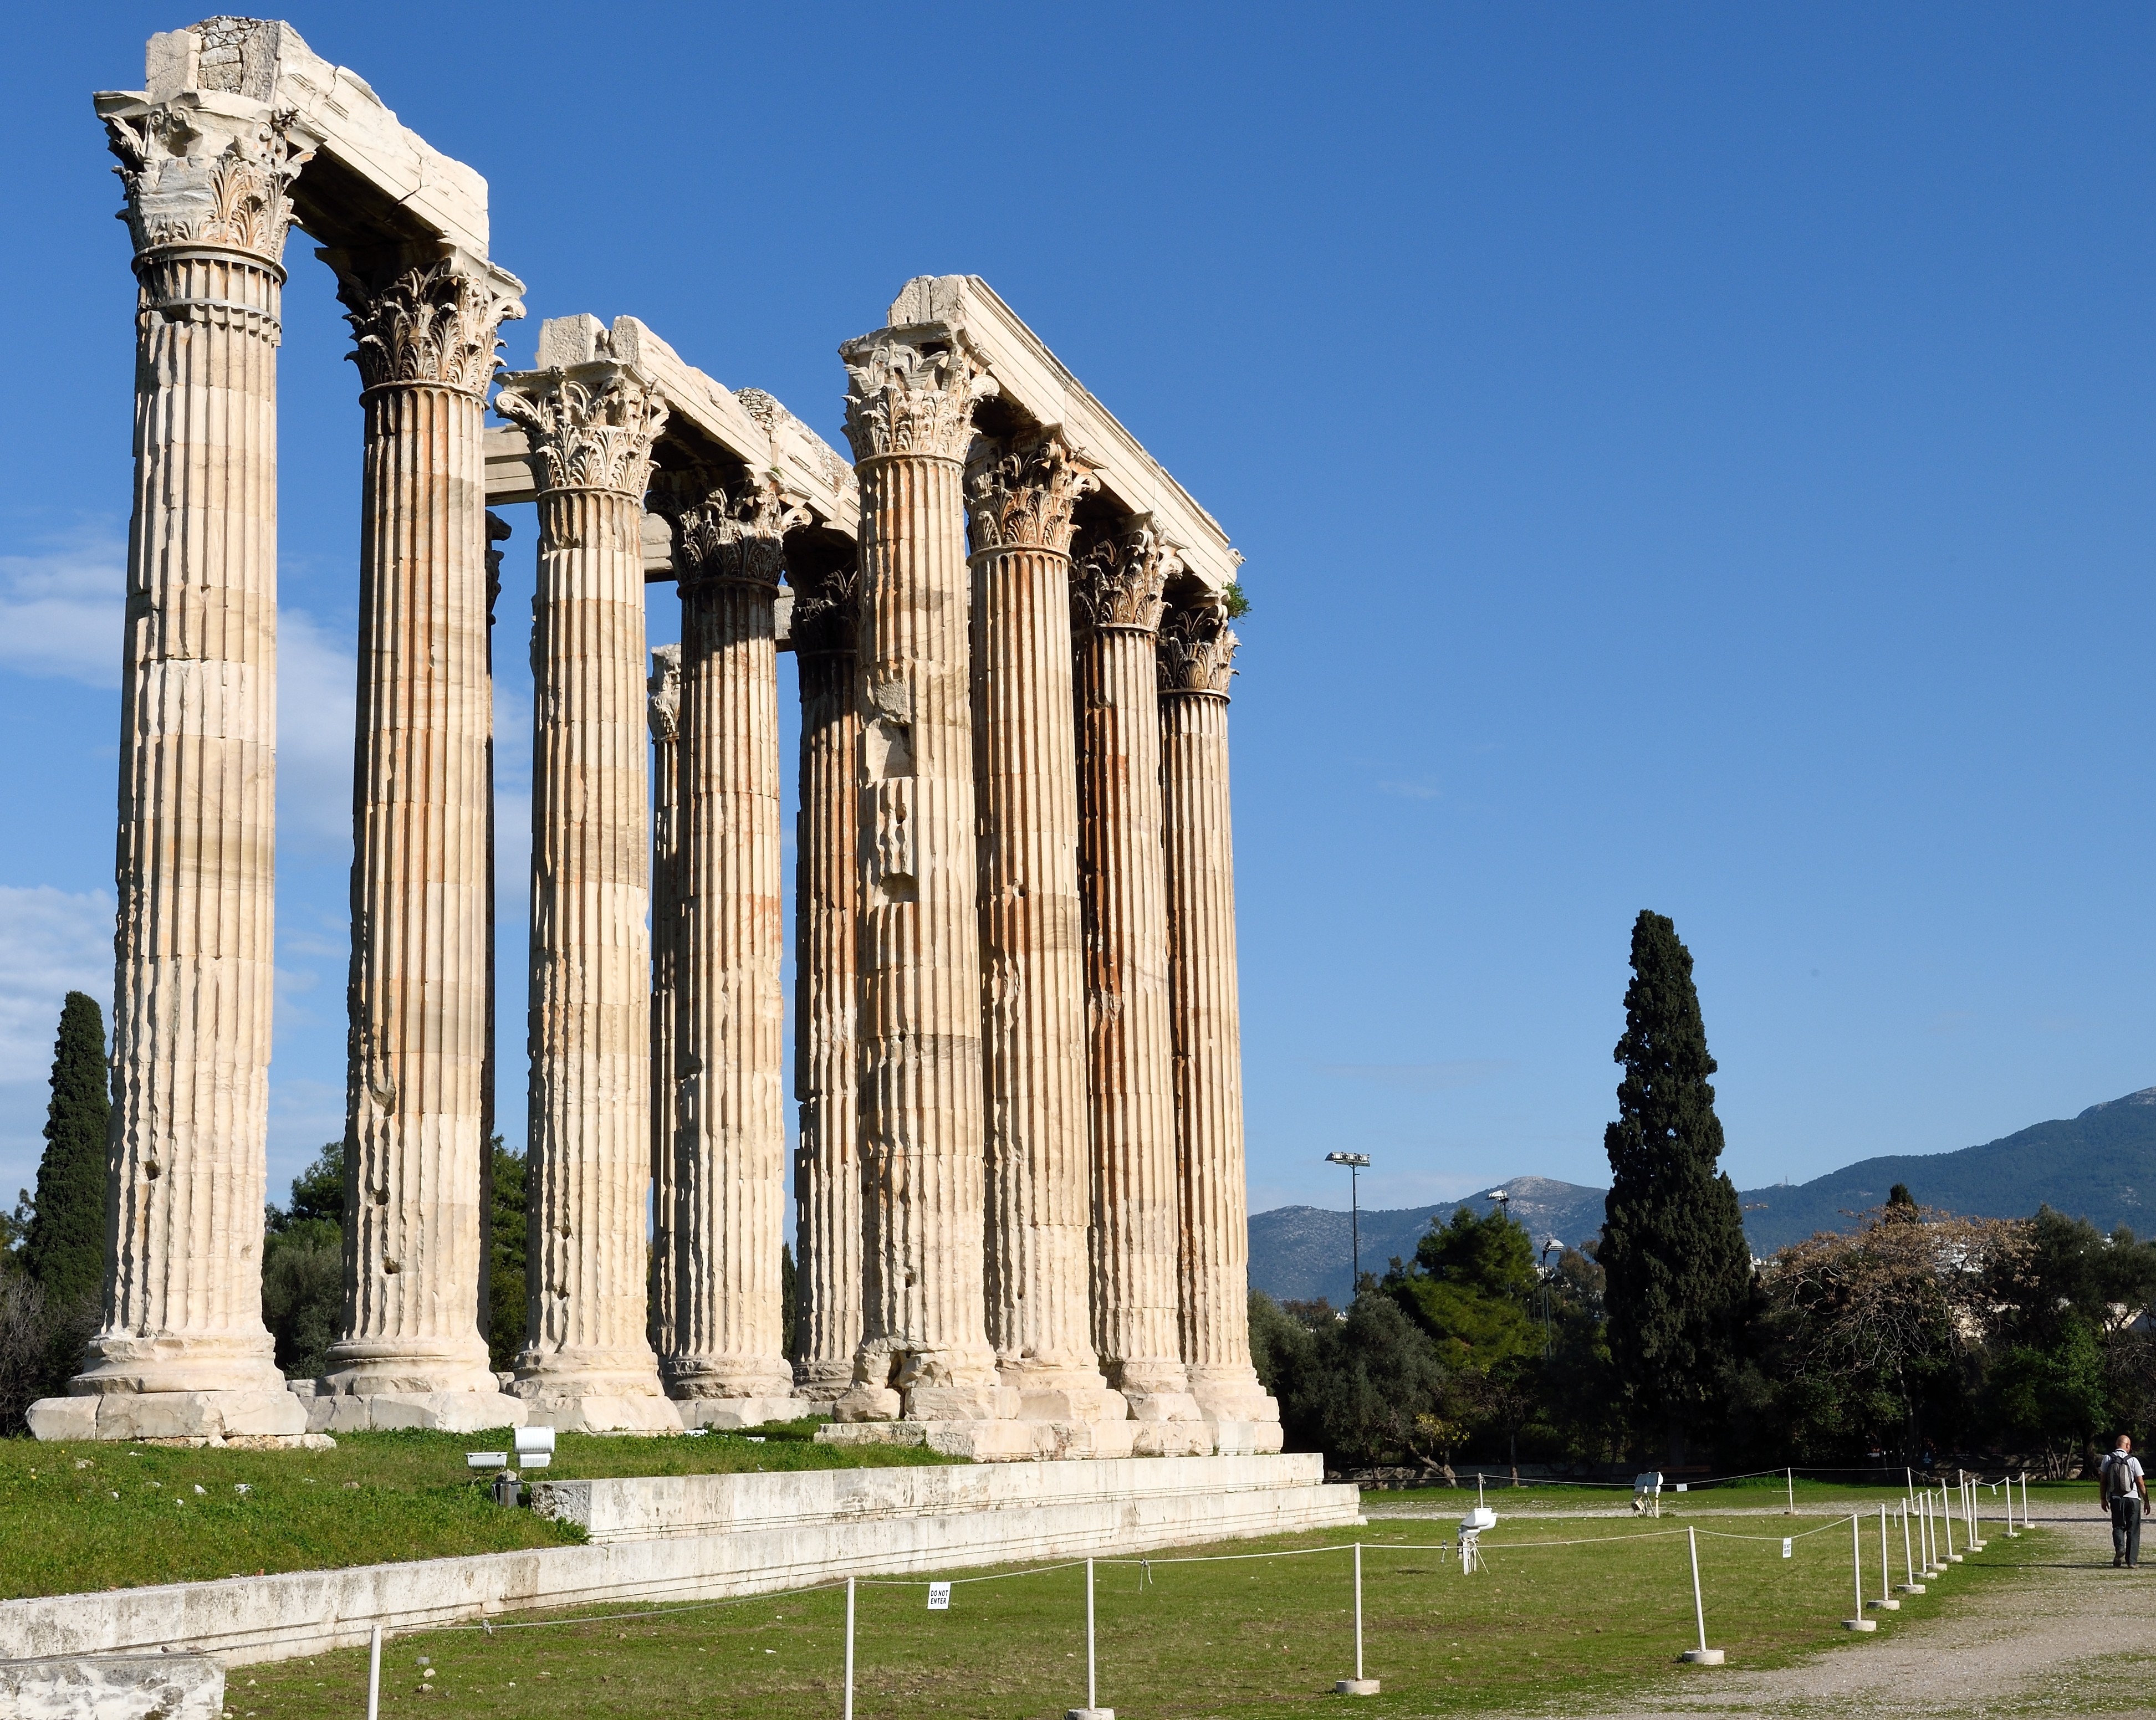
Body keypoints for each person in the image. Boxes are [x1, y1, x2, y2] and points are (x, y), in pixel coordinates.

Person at [2098, 1434, 2147, 1569]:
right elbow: (2140, 1482)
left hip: (2116, 1498)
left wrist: (2103, 1498)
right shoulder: (2133, 1460)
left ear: (2116, 1445)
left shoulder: (2107, 1458)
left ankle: (2120, 1547)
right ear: (2127, 1446)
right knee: (2133, 1529)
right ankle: (2131, 1561)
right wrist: (2146, 1501)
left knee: (2118, 1526)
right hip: (2133, 1499)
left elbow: (2103, 1480)